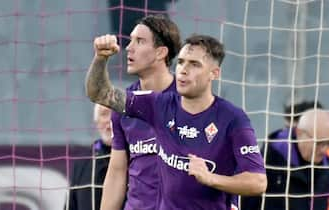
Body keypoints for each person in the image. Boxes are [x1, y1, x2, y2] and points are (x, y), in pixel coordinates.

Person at [85, 34, 267, 210]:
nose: (183, 70)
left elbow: (258, 182)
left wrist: (211, 178)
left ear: (214, 73)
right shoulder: (158, 105)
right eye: (180, 62)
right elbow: (100, 93)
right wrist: (101, 58)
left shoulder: (233, 119)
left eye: (194, 64)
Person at [89, 15, 182, 210]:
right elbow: (116, 172)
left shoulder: (189, 100)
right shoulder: (125, 104)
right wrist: (100, 58)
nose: (129, 47)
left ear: (160, 52)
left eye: (139, 41)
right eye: (130, 40)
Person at [241, 109, 329, 210]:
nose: (324, 149)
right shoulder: (267, 162)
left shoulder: (325, 166)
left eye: (328, 143)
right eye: (319, 143)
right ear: (299, 133)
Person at [67, 104, 113, 210]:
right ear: (96, 122)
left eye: (116, 113)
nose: (110, 119)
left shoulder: (137, 161)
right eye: (104, 114)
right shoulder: (82, 163)